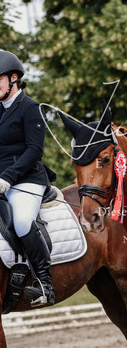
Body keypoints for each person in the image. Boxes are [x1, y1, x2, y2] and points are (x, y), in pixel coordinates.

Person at [0, 50, 55, 308]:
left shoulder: (30, 108)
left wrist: (8, 177)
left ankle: (45, 284)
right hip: (2, 180)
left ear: (13, 78)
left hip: (27, 180)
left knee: (22, 222)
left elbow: (34, 150)